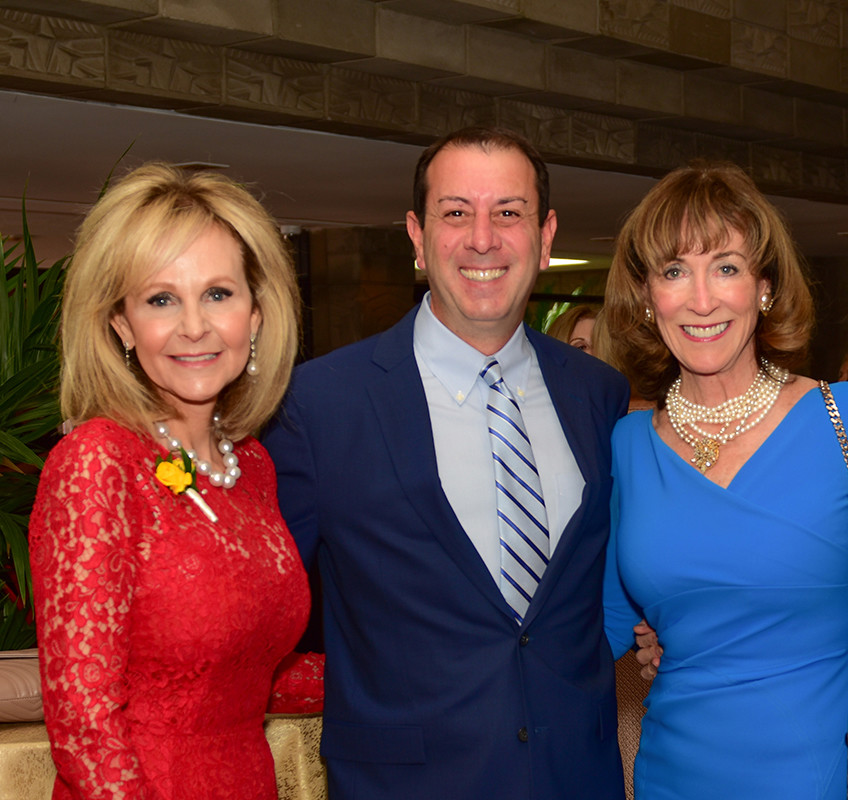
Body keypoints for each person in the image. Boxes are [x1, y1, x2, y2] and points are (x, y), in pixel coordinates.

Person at [264, 127, 630, 800]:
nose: (482, 239)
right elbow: (261, 611)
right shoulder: (317, 405)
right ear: (417, 234)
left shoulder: (599, 394)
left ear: (545, 235)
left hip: (576, 776)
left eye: (508, 213)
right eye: (456, 212)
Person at [30, 163, 321, 800]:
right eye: (161, 299)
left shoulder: (252, 466)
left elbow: (243, 670)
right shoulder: (97, 462)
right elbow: (84, 725)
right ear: (122, 324)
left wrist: (408, 674)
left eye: (218, 293)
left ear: (256, 314)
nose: (194, 325)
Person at [601, 162, 848, 799]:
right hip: (673, 778)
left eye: (726, 267)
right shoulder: (627, 447)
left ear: (764, 287)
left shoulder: (847, 421)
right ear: (646, 296)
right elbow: (596, 628)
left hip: (821, 779)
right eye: (675, 271)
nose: (702, 300)